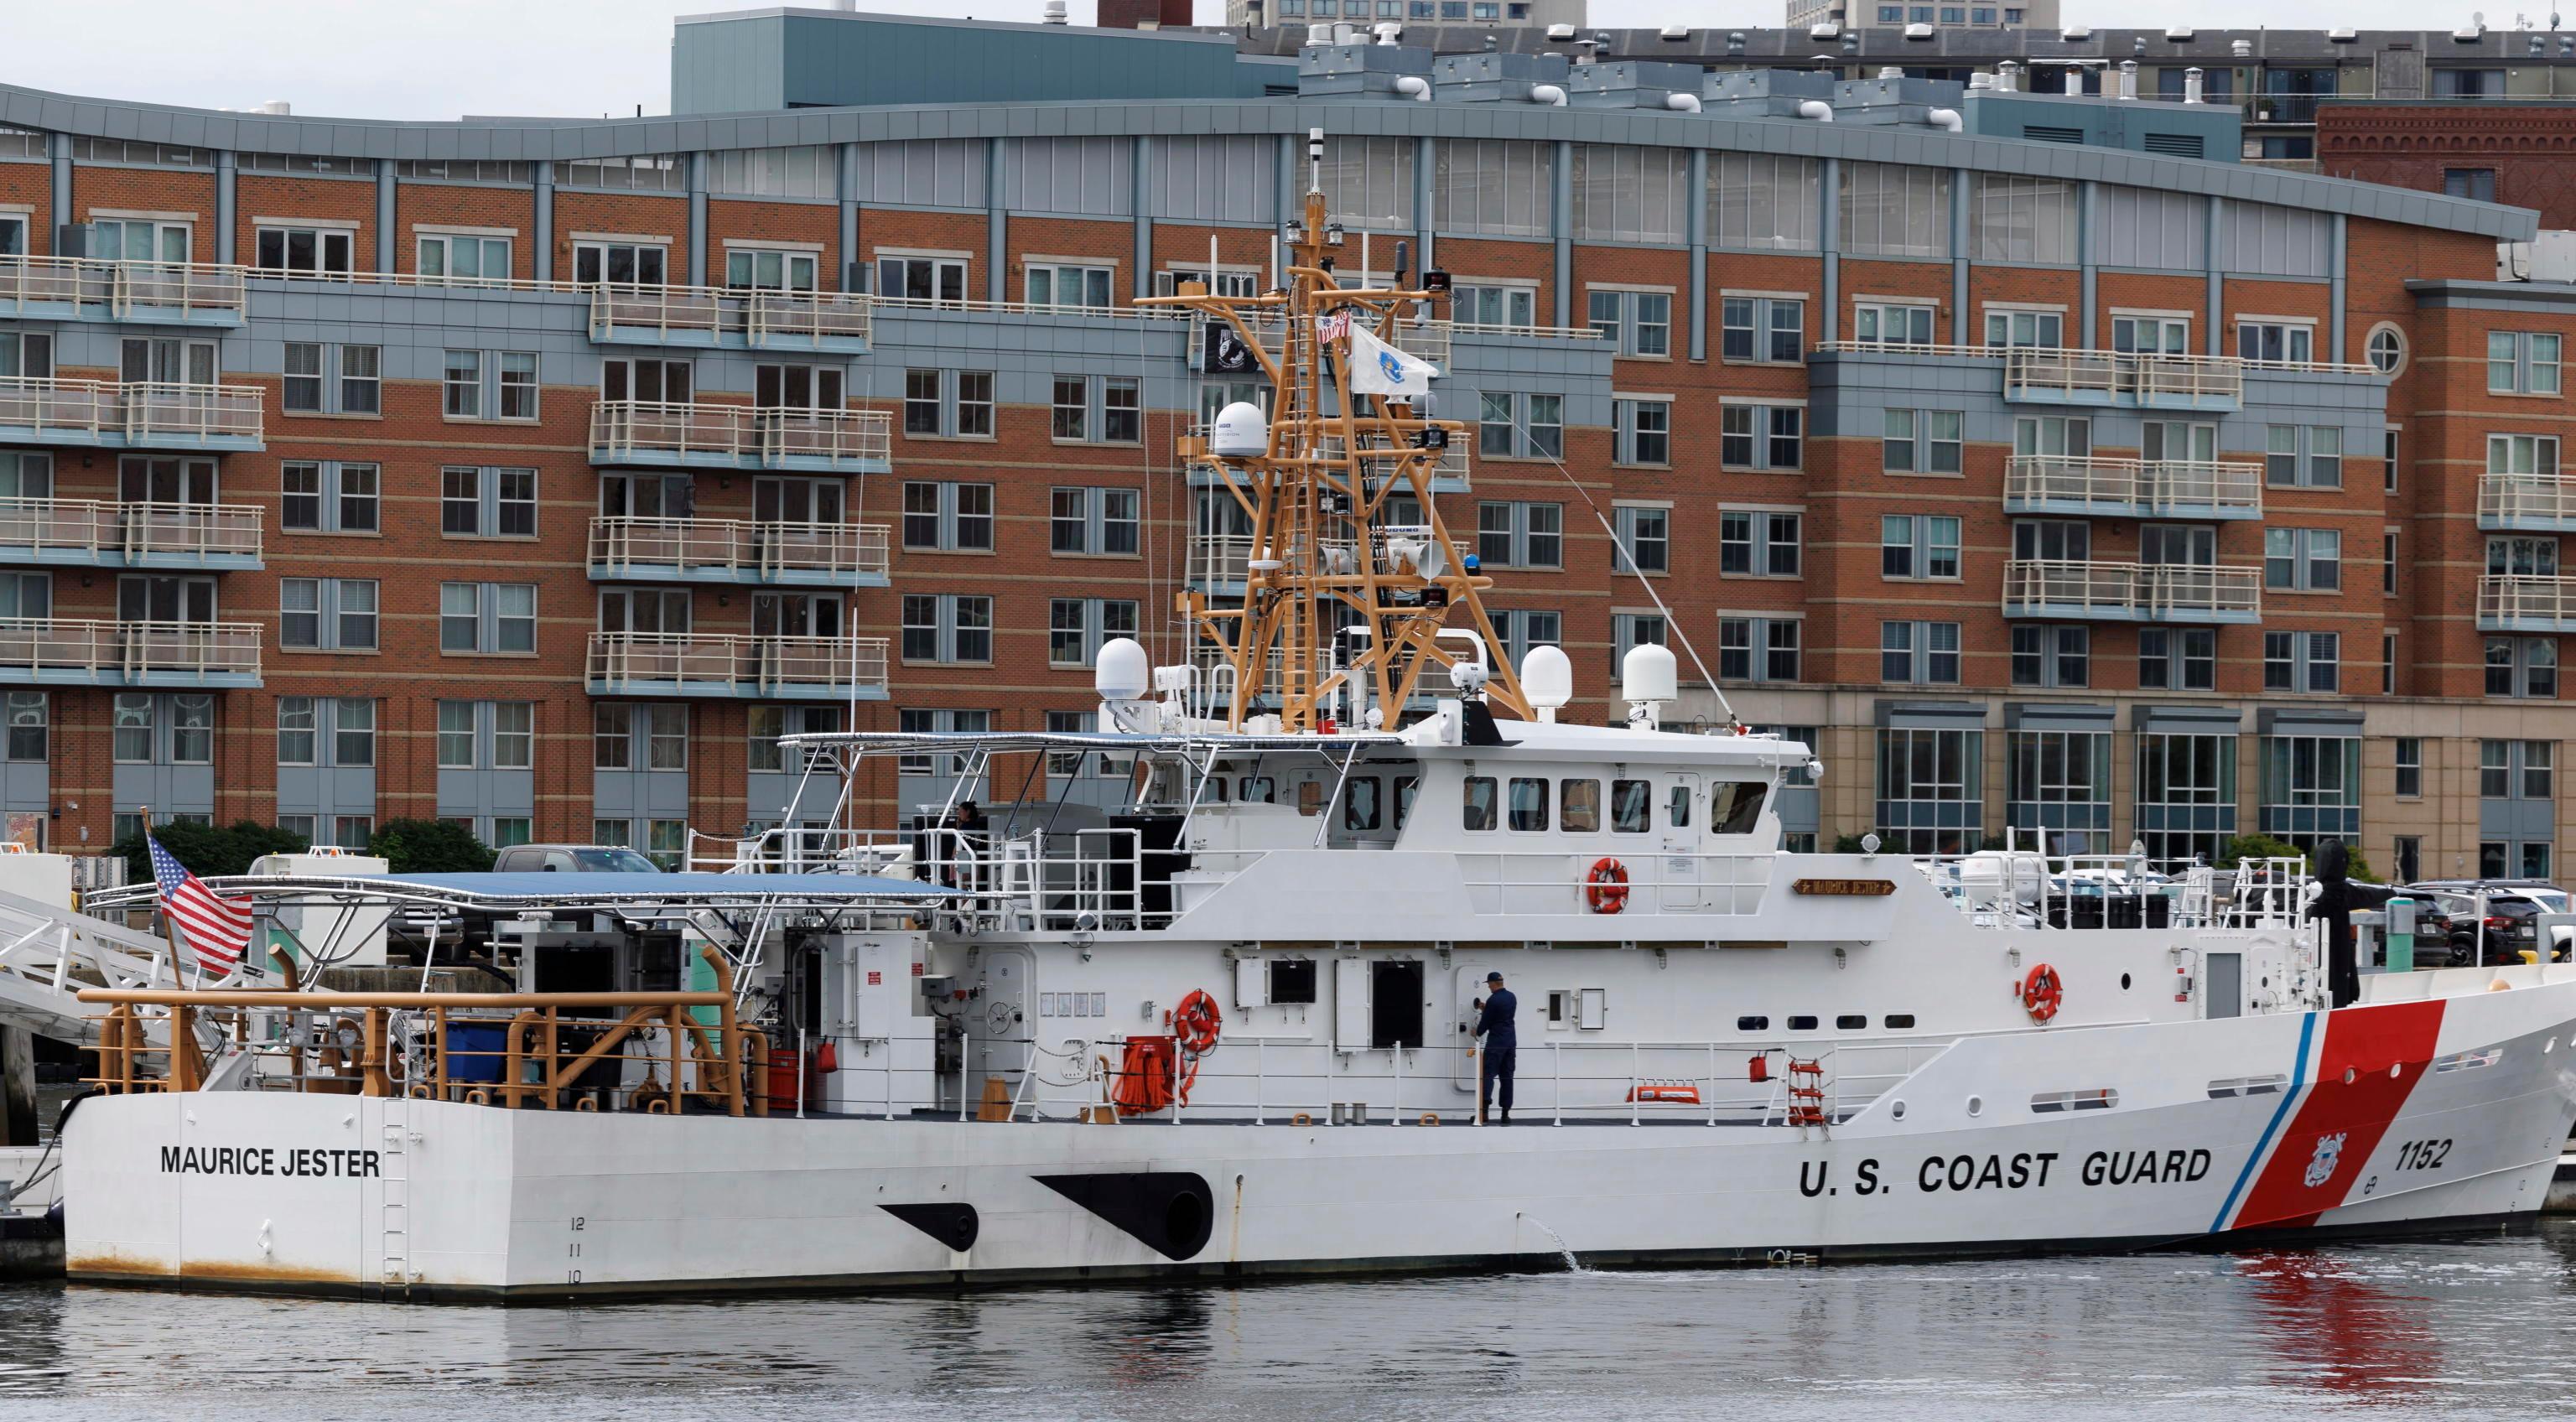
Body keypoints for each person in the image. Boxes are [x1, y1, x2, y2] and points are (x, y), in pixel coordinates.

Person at [1474, 970, 1517, 1125]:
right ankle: (1505, 1114)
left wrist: (1476, 1032)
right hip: (1511, 1042)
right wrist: (1487, 1008)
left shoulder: (1493, 999)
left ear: (1493, 983)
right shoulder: (1512, 997)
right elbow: (1502, 1015)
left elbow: (1486, 1022)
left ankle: (1484, 1113)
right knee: (1507, 1077)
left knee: (1488, 1075)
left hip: (1496, 1042)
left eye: (1489, 985)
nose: (1488, 987)